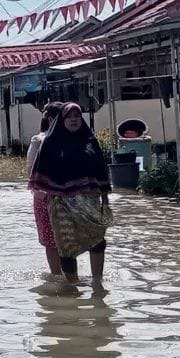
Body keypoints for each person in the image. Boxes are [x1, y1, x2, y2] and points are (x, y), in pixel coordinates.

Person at [29, 102, 112, 284]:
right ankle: (72, 285)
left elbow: (100, 171)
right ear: (62, 120)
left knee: (97, 240)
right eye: (70, 117)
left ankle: (97, 283)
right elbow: (40, 173)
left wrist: (105, 197)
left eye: (77, 116)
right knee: (65, 246)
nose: (74, 120)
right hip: (61, 203)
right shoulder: (50, 143)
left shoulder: (89, 141)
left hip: (89, 200)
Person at [26, 102, 64, 276]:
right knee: (51, 240)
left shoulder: (74, 140)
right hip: (46, 196)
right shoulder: (39, 140)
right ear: (51, 120)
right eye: (65, 117)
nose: (70, 121)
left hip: (68, 195)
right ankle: (57, 275)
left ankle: (66, 275)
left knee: (67, 237)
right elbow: (31, 171)